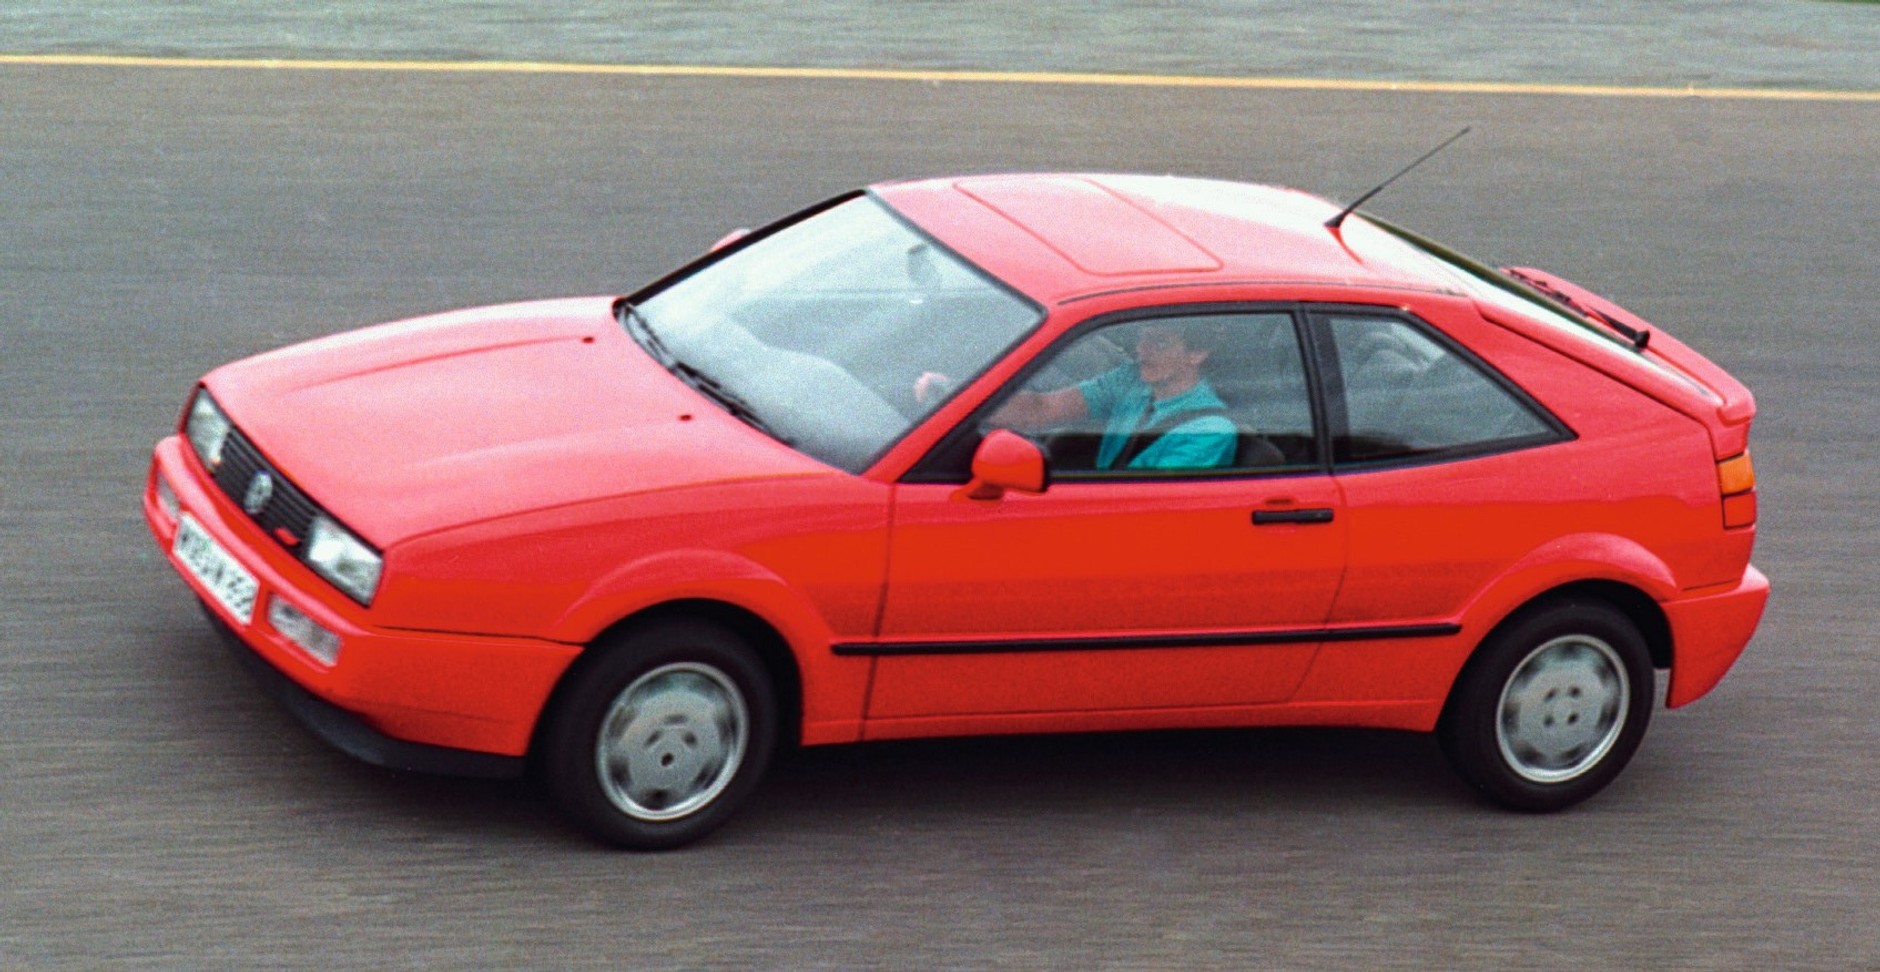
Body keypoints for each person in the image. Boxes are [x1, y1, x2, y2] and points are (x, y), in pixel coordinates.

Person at [918, 322, 1237, 471]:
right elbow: (1041, 409)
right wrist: (956, 393)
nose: (1142, 351)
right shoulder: (1131, 379)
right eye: (1142, 340)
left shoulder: (1209, 432)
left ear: (1197, 354)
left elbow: (1140, 504)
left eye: (1159, 343)